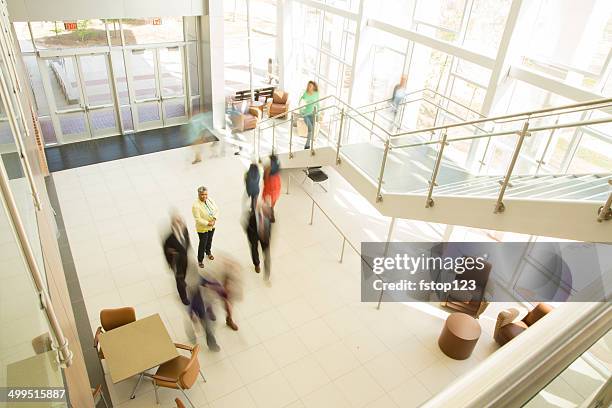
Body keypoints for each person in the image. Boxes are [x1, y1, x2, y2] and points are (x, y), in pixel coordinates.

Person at [162, 214, 191, 305]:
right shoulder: (169, 239)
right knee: (179, 280)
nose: (180, 224)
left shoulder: (185, 230)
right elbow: (166, 251)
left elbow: (187, 242)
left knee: (184, 275)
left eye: (181, 221)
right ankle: (183, 297)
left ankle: (183, 281)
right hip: (177, 263)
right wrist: (170, 263)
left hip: (185, 259)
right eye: (177, 222)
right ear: (173, 225)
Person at [244, 197, 273, 282]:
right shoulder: (251, 216)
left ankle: (267, 275)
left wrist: (268, 236)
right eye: (264, 208)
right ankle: (256, 264)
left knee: (267, 256)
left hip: (265, 238)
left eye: (267, 208)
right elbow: (247, 228)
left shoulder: (269, 214)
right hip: (254, 236)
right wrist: (251, 239)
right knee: (254, 250)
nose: (266, 210)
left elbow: (270, 226)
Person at [192, 186, 219, 268]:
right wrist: (208, 223)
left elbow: (217, 209)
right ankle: (200, 260)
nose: (204, 196)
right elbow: (197, 219)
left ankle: (208, 252)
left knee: (209, 240)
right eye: (202, 194)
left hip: (212, 226)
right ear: (199, 194)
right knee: (202, 243)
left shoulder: (209, 199)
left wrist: (214, 219)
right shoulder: (195, 206)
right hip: (203, 228)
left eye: (206, 194)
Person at [299, 81, 320, 150]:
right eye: (308, 86)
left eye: (311, 86)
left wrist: (318, 115)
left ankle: (308, 145)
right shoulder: (305, 93)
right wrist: (301, 111)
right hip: (306, 114)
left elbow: (318, 104)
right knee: (310, 128)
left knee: (311, 130)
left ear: (313, 86)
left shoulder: (316, 94)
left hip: (313, 114)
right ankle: (307, 145)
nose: (309, 87)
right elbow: (300, 102)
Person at [262, 154, 281, 222]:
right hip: (276, 188)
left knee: (267, 202)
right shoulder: (278, 169)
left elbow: (265, 179)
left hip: (270, 188)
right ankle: (271, 211)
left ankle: (269, 215)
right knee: (272, 202)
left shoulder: (268, 169)